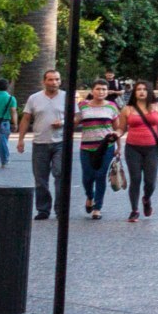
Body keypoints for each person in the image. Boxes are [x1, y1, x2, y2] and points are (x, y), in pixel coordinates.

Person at [120, 80, 158, 222]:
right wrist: (115, 134)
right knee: (135, 179)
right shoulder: (127, 109)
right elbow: (121, 128)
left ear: (149, 91)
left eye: (144, 89)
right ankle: (134, 210)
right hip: (132, 148)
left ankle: (146, 199)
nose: (141, 91)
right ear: (134, 92)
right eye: (138, 89)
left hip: (152, 148)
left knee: (150, 182)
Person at [23, 70, 68, 219]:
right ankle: (43, 209)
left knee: (60, 174)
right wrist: (20, 139)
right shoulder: (34, 98)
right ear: (44, 81)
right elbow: (26, 119)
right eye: (50, 80)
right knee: (40, 179)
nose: (54, 82)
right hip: (40, 143)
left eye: (56, 79)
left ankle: (60, 209)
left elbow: (76, 117)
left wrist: (62, 123)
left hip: (60, 142)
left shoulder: (66, 97)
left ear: (60, 81)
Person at [73, 79, 120, 220]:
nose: (101, 92)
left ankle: (98, 208)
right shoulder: (82, 106)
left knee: (100, 176)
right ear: (92, 90)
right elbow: (74, 122)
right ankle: (90, 196)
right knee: (87, 177)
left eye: (104, 89)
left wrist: (119, 147)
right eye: (98, 89)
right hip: (87, 147)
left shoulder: (112, 106)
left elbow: (117, 129)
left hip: (106, 147)